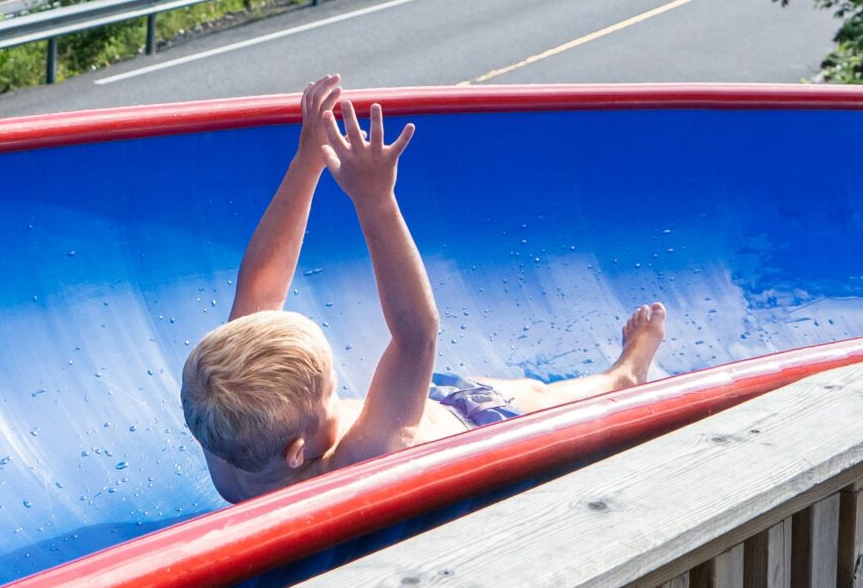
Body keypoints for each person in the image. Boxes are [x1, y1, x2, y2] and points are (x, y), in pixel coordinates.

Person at [181, 74, 669, 504]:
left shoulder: (224, 437)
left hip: (421, 403)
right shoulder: (356, 460)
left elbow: (260, 289)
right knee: (538, 396)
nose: (337, 390)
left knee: (504, 389)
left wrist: (308, 161)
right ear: (297, 452)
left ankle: (616, 378)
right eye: (331, 391)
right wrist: (376, 201)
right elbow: (417, 336)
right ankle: (623, 377)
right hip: (475, 428)